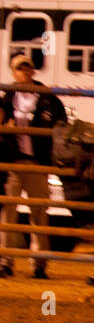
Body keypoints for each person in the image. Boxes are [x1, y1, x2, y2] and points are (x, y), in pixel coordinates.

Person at [0, 53, 67, 279]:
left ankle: (39, 264)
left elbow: (61, 124)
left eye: (27, 67)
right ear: (13, 72)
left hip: (37, 162)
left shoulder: (47, 97)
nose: (25, 71)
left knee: (39, 213)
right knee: (8, 214)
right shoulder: (7, 98)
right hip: (13, 162)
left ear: (33, 71)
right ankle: (5, 261)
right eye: (20, 68)